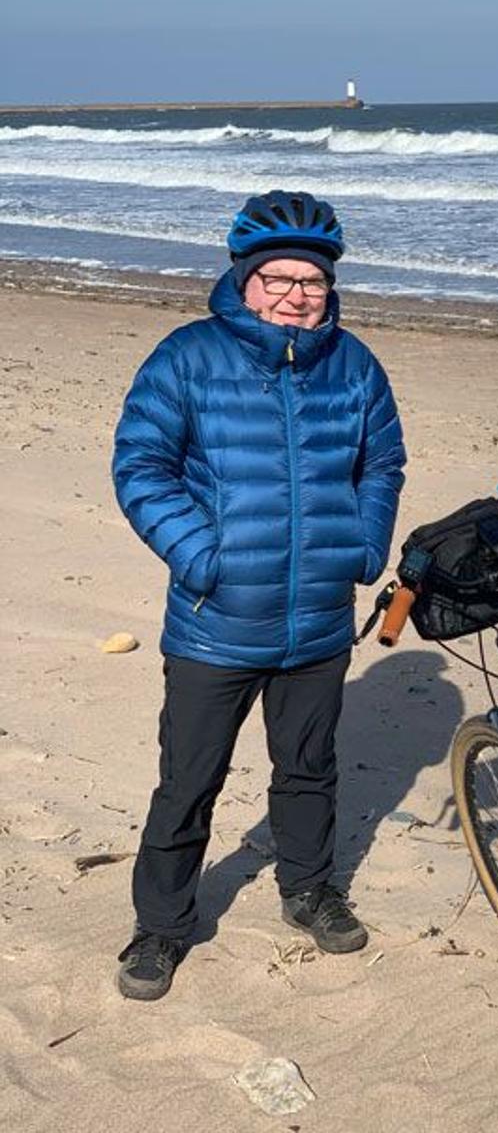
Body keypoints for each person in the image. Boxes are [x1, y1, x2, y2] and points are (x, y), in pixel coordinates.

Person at [111, 190, 406, 1001]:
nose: (293, 293)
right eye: (277, 277)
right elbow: (141, 467)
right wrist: (202, 557)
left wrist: (364, 544)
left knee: (308, 768)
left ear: (328, 285)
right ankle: (161, 928)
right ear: (244, 279)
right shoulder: (187, 357)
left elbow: (382, 464)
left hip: (316, 622)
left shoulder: (354, 365)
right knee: (189, 780)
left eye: (309, 279)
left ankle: (309, 890)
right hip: (214, 624)